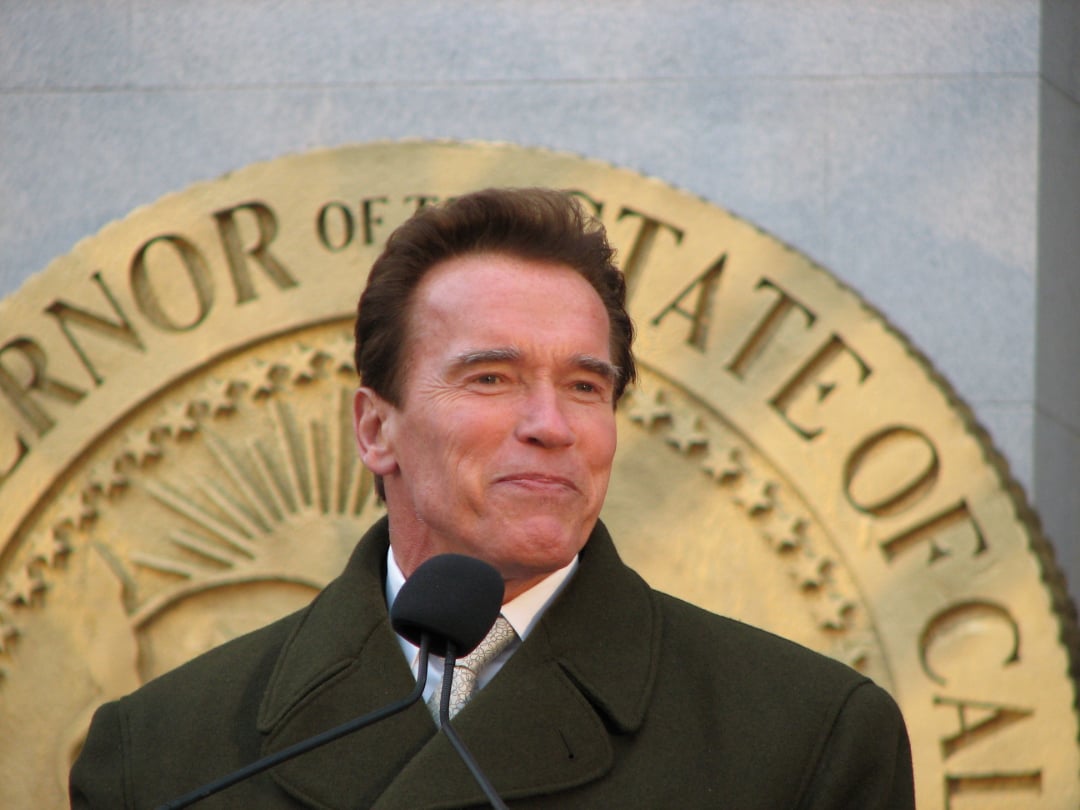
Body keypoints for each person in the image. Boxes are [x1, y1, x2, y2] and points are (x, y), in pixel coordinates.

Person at [70, 187, 914, 808]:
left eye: (587, 387)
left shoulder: (809, 739)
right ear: (376, 429)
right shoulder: (163, 754)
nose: (552, 425)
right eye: (492, 378)